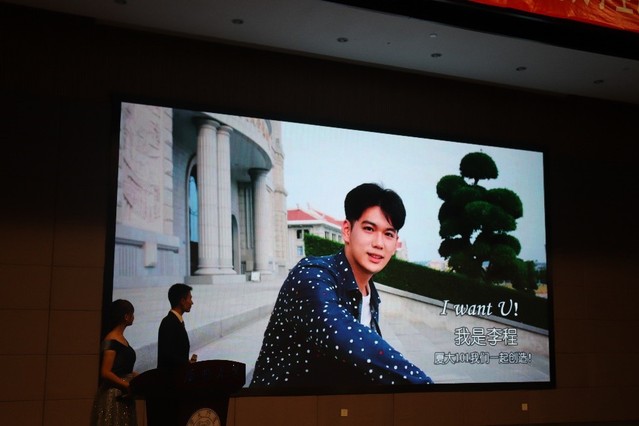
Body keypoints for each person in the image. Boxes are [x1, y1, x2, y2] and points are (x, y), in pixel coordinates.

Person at [250, 183, 433, 388]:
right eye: (369, 229)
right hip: (280, 405)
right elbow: (345, 336)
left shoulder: (370, 294)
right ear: (347, 230)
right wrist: (425, 387)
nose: (379, 243)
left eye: (388, 234)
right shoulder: (311, 276)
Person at [90, 299, 138, 426]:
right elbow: (105, 372)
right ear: (126, 316)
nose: (134, 317)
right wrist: (126, 385)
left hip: (123, 394)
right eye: (132, 313)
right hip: (114, 395)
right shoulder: (111, 339)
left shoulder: (121, 339)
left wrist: (133, 376)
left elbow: (121, 367)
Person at [157, 283, 194, 370]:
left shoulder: (175, 321)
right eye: (190, 298)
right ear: (182, 301)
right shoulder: (169, 323)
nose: (192, 302)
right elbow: (168, 357)